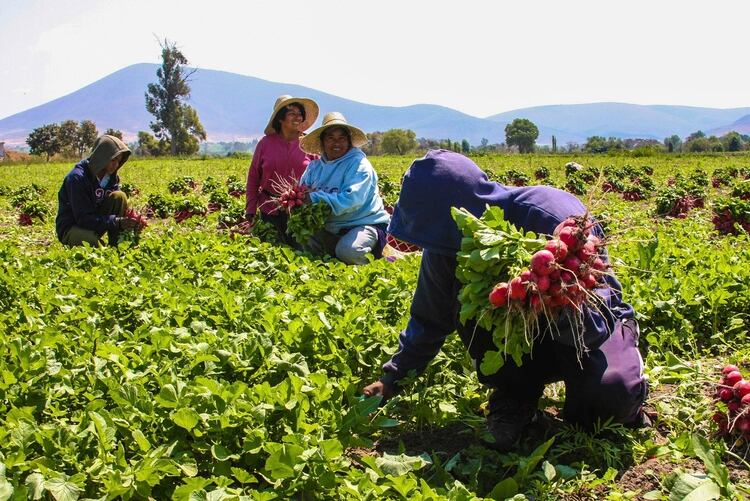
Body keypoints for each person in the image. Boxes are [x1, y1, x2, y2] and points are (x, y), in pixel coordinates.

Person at [363, 150, 648, 451]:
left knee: (610, 399)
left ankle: (622, 390)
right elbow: (429, 318)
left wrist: (560, 300)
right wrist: (393, 378)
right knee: (470, 303)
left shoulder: (550, 216)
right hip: (523, 344)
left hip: (591, 328)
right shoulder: (447, 244)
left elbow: (601, 312)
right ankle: (515, 393)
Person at [298, 112, 391, 264]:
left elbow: (352, 200)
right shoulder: (314, 168)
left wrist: (313, 197)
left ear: (349, 141)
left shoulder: (359, 165)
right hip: (329, 227)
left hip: (363, 223)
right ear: (322, 141)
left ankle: (378, 263)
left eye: (342, 138)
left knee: (349, 252)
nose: (336, 143)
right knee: (300, 239)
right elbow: (302, 192)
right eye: (330, 138)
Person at [245, 95, 319, 245]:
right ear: (280, 118)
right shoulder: (265, 144)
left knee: (300, 252)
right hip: (269, 209)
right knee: (270, 249)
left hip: (301, 211)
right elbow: (253, 178)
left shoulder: (309, 145)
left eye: (300, 114)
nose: (297, 117)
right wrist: (250, 210)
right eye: (292, 113)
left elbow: (320, 177)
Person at [55, 134, 136, 247]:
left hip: (96, 223)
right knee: (96, 247)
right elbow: (82, 218)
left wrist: (131, 220)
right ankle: (97, 244)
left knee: (119, 196)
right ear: (102, 157)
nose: (116, 165)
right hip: (73, 227)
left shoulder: (111, 177)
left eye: (119, 161)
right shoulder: (77, 178)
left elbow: (117, 206)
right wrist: (117, 222)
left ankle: (118, 245)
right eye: (113, 159)